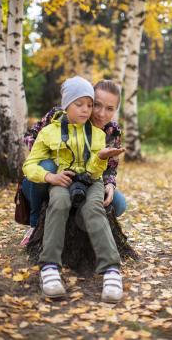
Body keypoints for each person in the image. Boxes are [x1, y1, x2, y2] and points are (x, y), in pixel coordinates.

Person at [22, 76, 124, 303]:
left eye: (91, 105)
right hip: (61, 177)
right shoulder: (50, 129)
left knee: (94, 209)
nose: (90, 111)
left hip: (92, 180)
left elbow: (96, 172)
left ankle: (111, 270)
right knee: (58, 203)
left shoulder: (100, 133)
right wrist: (50, 175)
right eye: (84, 104)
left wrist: (100, 158)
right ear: (66, 104)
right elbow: (30, 164)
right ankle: (49, 267)